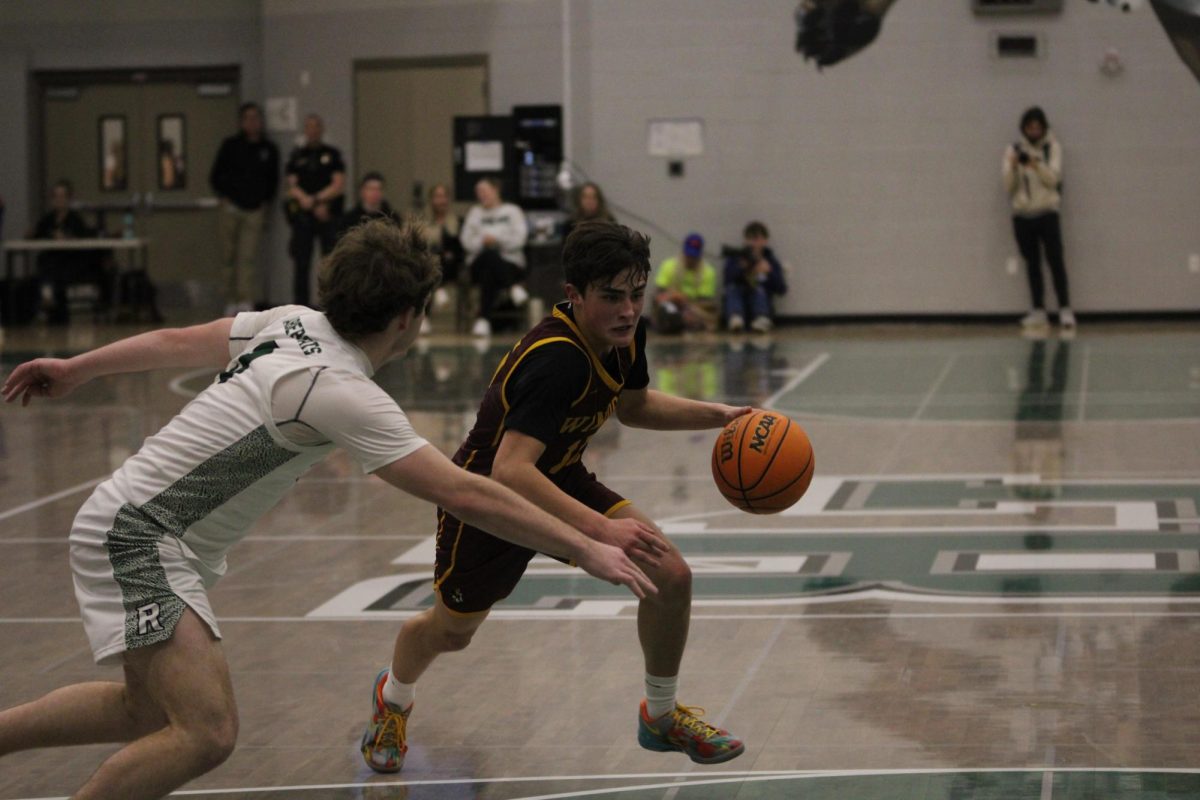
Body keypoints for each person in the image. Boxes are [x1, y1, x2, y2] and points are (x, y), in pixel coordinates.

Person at [0, 219, 654, 800]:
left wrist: (77, 367)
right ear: (408, 318)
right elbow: (465, 492)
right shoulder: (339, 391)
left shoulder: (291, 321)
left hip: (138, 525)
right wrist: (583, 544)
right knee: (207, 731)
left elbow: (177, 340)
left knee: (146, 712)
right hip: (140, 535)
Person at [360, 219, 751, 774]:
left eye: (636, 294)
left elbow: (633, 406)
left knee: (672, 576)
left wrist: (723, 416)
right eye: (612, 297)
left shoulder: (622, 333)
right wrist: (597, 529)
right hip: (487, 497)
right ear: (574, 295)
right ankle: (392, 698)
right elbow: (511, 470)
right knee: (451, 632)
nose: (628, 309)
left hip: (559, 475)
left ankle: (659, 716)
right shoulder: (556, 357)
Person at [1003, 106, 1074, 331]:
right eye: (1029, 127)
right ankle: (1038, 310)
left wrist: (1036, 164)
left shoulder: (1052, 147)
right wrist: (1014, 167)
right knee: (1032, 264)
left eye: (1037, 127)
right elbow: (1008, 186)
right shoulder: (1013, 150)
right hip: (1023, 216)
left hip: (1047, 213)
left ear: (1043, 128)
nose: (1033, 131)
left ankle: (1065, 308)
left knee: (1056, 261)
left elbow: (1054, 179)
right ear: (1024, 128)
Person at [209, 102, 280, 315]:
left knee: (247, 257)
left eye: (256, 118)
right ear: (241, 122)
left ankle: (245, 298)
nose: (253, 122)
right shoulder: (230, 145)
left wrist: (264, 201)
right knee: (228, 254)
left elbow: (272, 180)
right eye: (248, 118)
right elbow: (215, 176)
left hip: (254, 210)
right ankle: (230, 299)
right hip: (231, 208)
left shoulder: (268, 149)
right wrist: (225, 198)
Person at [285, 114, 346, 306]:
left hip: (326, 214)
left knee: (329, 262)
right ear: (305, 130)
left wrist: (318, 200)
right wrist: (305, 200)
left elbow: (338, 184)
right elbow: (291, 185)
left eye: (316, 127)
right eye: (309, 127)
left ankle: (330, 304)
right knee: (301, 262)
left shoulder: (332, 154)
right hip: (303, 217)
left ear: (321, 129)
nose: (313, 131)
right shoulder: (297, 155)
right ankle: (299, 306)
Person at [460, 177, 528, 337]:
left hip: (510, 263)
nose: (481, 195)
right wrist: (484, 242)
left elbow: (520, 239)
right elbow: (466, 241)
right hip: (478, 262)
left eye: (484, 191)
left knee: (489, 271)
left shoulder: (512, 211)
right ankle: (512, 287)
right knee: (488, 255)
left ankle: (483, 320)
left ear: (496, 190)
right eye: (478, 192)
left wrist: (496, 240)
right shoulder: (474, 213)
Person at [31, 180, 97, 325]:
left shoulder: (75, 220)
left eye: (63, 196)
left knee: (57, 272)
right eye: (56, 196)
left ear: (69, 198)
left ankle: (49, 301)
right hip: (50, 263)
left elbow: (84, 239)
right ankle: (47, 300)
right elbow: (36, 236)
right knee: (47, 266)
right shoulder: (47, 220)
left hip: (71, 263)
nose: (59, 200)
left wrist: (67, 239)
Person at [722, 221, 787, 333]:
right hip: (739, 301)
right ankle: (735, 318)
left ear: (765, 241)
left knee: (759, 289)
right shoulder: (737, 258)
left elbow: (781, 289)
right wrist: (741, 268)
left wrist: (769, 272)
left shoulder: (770, 261)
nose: (753, 243)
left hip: (760, 302)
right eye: (750, 239)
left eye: (757, 239)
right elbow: (726, 281)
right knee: (733, 288)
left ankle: (761, 318)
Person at [652, 232, 719, 333]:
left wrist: (686, 303)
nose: (690, 259)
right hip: (671, 305)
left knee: (708, 314)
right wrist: (674, 297)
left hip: (694, 308)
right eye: (688, 255)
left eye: (694, 257)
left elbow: (706, 302)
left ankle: (684, 322)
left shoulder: (708, 272)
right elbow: (659, 294)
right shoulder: (668, 266)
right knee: (665, 307)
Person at [423, 183, 465, 313]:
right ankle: (438, 291)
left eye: (444, 196)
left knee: (441, 261)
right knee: (429, 266)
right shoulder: (423, 221)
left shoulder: (456, 221)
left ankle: (439, 288)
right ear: (431, 199)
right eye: (437, 196)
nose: (441, 200)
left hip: (451, 264)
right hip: (429, 262)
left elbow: (460, 247)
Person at [337, 172, 399, 239]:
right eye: (371, 189)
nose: (375, 193)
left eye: (379, 189)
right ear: (362, 191)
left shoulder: (392, 218)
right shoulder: (349, 219)